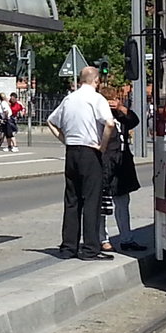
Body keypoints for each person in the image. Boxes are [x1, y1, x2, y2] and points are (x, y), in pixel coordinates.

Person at [46, 65, 115, 260]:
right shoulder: (96, 99)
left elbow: (51, 121)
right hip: (90, 151)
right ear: (96, 81)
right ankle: (90, 248)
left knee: (72, 199)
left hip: (72, 151)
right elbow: (109, 123)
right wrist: (102, 146)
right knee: (92, 200)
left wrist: (65, 139)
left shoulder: (69, 99)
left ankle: (69, 247)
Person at [98, 83, 146, 252]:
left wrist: (121, 108)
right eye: (110, 100)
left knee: (123, 203)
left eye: (115, 99)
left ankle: (126, 238)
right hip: (105, 163)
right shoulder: (99, 117)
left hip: (122, 163)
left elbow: (134, 120)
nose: (113, 102)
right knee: (103, 204)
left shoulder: (120, 115)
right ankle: (102, 239)